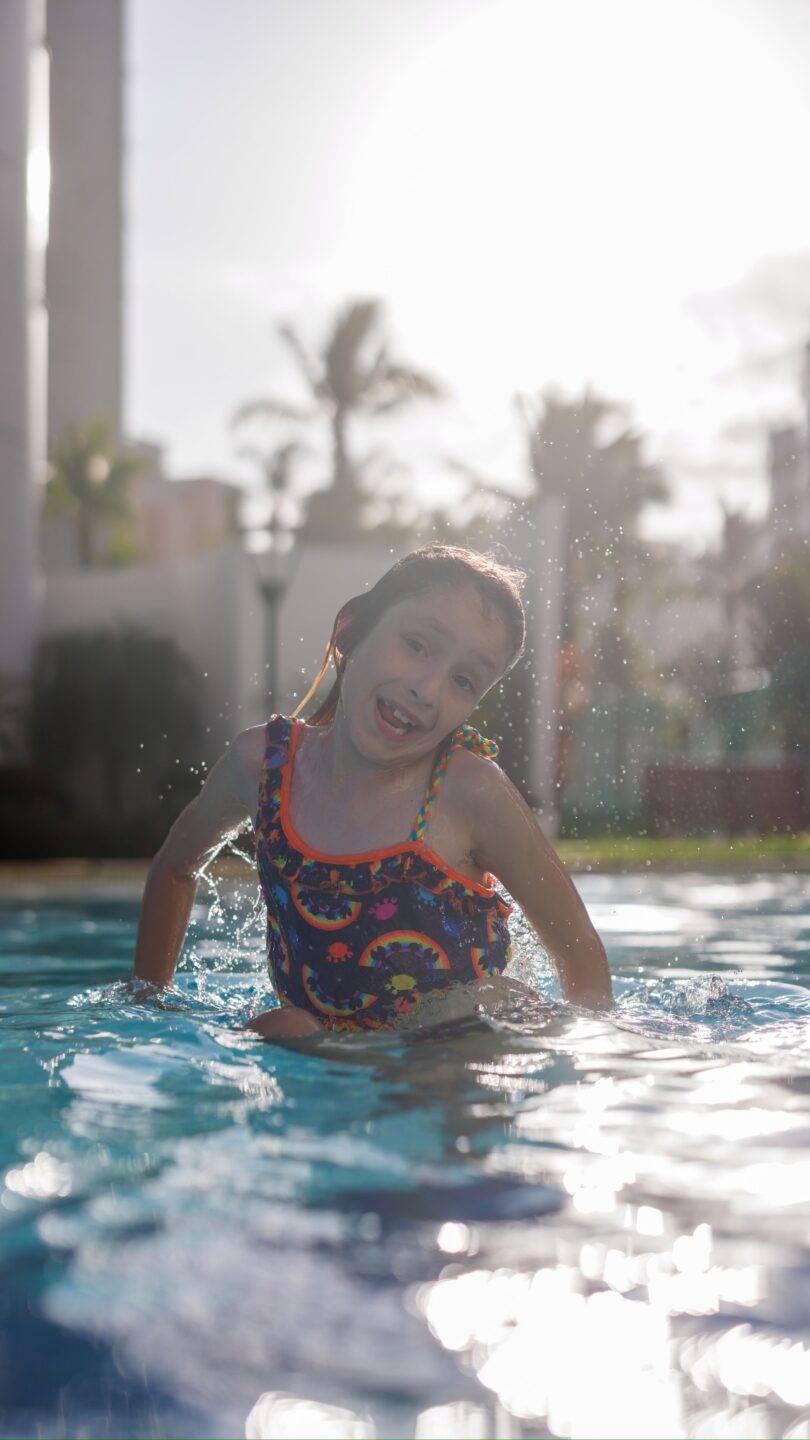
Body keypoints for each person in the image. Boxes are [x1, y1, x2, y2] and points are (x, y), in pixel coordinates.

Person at [133, 545, 613, 1037]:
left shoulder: (471, 794)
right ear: (351, 630)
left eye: (464, 681)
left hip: (454, 1054)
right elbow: (174, 866)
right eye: (417, 645)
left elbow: (579, 951)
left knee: (476, 1012)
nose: (428, 689)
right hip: (327, 1053)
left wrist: (591, 1049)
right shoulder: (263, 767)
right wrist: (148, 1006)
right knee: (284, 1028)